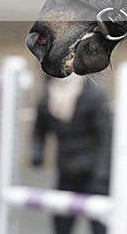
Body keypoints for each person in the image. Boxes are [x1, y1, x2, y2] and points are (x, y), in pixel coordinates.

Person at [30, 74, 112, 234]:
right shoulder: (47, 96)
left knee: (100, 226)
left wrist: (102, 173)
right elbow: (39, 129)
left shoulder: (92, 94)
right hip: (66, 169)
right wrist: (37, 152)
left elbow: (106, 137)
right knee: (61, 224)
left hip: (93, 172)